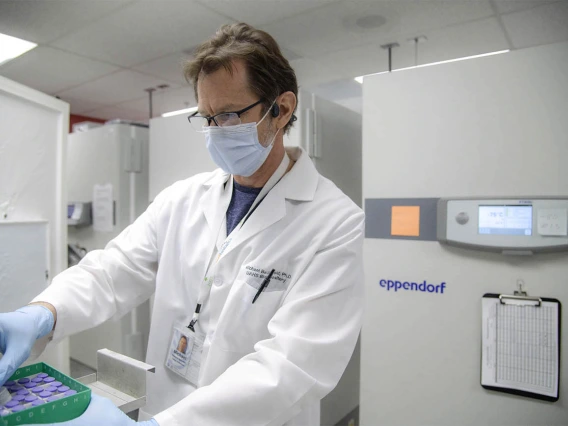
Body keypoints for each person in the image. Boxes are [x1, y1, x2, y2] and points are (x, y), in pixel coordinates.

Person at [0, 22, 364, 426]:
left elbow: (292, 365)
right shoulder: (182, 199)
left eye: (227, 115)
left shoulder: (336, 224)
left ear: (281, 109)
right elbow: (111, 271)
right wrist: (44, 312)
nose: (213, 132)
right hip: (165, 407)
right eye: (205, 117)